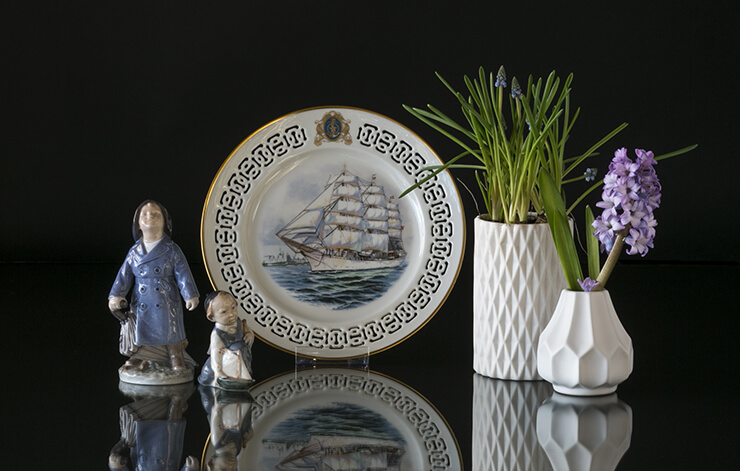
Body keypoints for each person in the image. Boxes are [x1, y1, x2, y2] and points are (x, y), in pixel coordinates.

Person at [109, 200, 200, 371]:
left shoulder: (171, 249)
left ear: (165, 221)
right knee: (142, 328)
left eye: (155, 214)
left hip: (165, 299)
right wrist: (116, 295)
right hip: (142, 299)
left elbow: (183, 273)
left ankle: (175, 355)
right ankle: (140, 355)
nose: (150, 216)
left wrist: (190, 294)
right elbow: (124, 275)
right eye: (145, 214)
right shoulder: (134, 252)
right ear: (138, 223)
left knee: (170, 328)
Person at [198, 291, 254, 389]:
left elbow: (247, 330)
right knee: (236, 347)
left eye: (233, 308)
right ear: (211, 317)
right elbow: (215, 355)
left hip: (237, 358)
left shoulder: (238, 322)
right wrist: (218, 371)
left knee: (239, 347)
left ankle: (241, 376)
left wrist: (249, 335)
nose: (231, 314)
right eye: (224, 312)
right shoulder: (217, 335)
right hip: (221, 363)